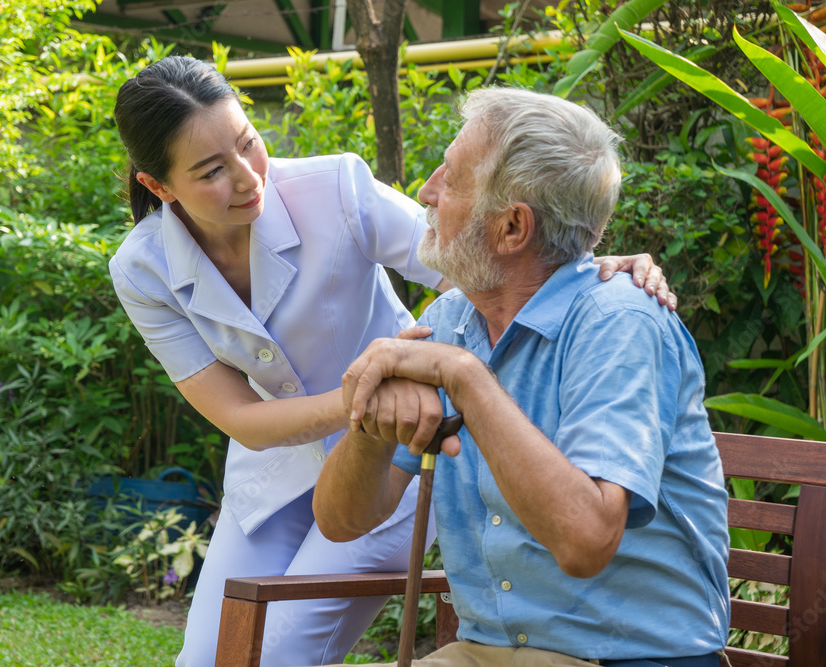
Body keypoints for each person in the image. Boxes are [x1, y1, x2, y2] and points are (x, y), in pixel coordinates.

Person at [108, 56, 676, 667]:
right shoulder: (143, 268)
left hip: (389, 458)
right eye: (213, 171)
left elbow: (487, 259)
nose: (249, 178)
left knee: (276, 658)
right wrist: (368, 390)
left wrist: (597, 265)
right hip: (274, 468)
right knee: (204, 660)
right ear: (159, 187)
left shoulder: (336, 189)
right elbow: (241, 418)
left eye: (249, 143)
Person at [313, 87, 729, 667]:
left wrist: (464, 378)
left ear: (512, 228)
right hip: (486, 652)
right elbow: (339, 521)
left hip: (630, 657)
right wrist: (367, 418)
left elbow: (585, 541)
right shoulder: (450, 321)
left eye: (451, 179)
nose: (426, 192)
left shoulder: (620, 324)